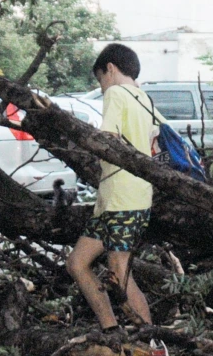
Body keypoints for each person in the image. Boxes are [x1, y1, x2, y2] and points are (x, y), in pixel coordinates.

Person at [65, 43, 157, 331]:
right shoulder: (144, 98)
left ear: (111, 69)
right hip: (122, 198)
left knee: (120, 270)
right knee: (78, 263)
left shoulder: (116, 93)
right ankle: (111, 331)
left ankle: (152, 344)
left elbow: (108, 141)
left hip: (123, 198)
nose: (102, 87)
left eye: (100, 79)